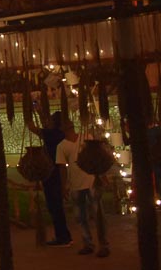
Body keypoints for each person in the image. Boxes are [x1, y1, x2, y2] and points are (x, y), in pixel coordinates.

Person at [56, 119, 110, 257]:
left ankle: (103, 244)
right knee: (80, 217)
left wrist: (102, 175)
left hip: (91, 181)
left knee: (98, 214)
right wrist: (64, 186)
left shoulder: (86, 138)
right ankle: (88, 243)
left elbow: (96, 156)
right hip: (76, 184)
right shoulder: (61, 146)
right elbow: (62, 168)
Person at [25, 106, 72, 246]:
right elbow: (45, 126)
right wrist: (40, 112)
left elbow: (34, 128)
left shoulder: (51, 135)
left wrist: (28, 116)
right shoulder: (59, 134)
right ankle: (65, 235)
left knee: (54, 206)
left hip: (51, 173)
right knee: (57, 206)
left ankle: (62, 237)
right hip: (57, 171)